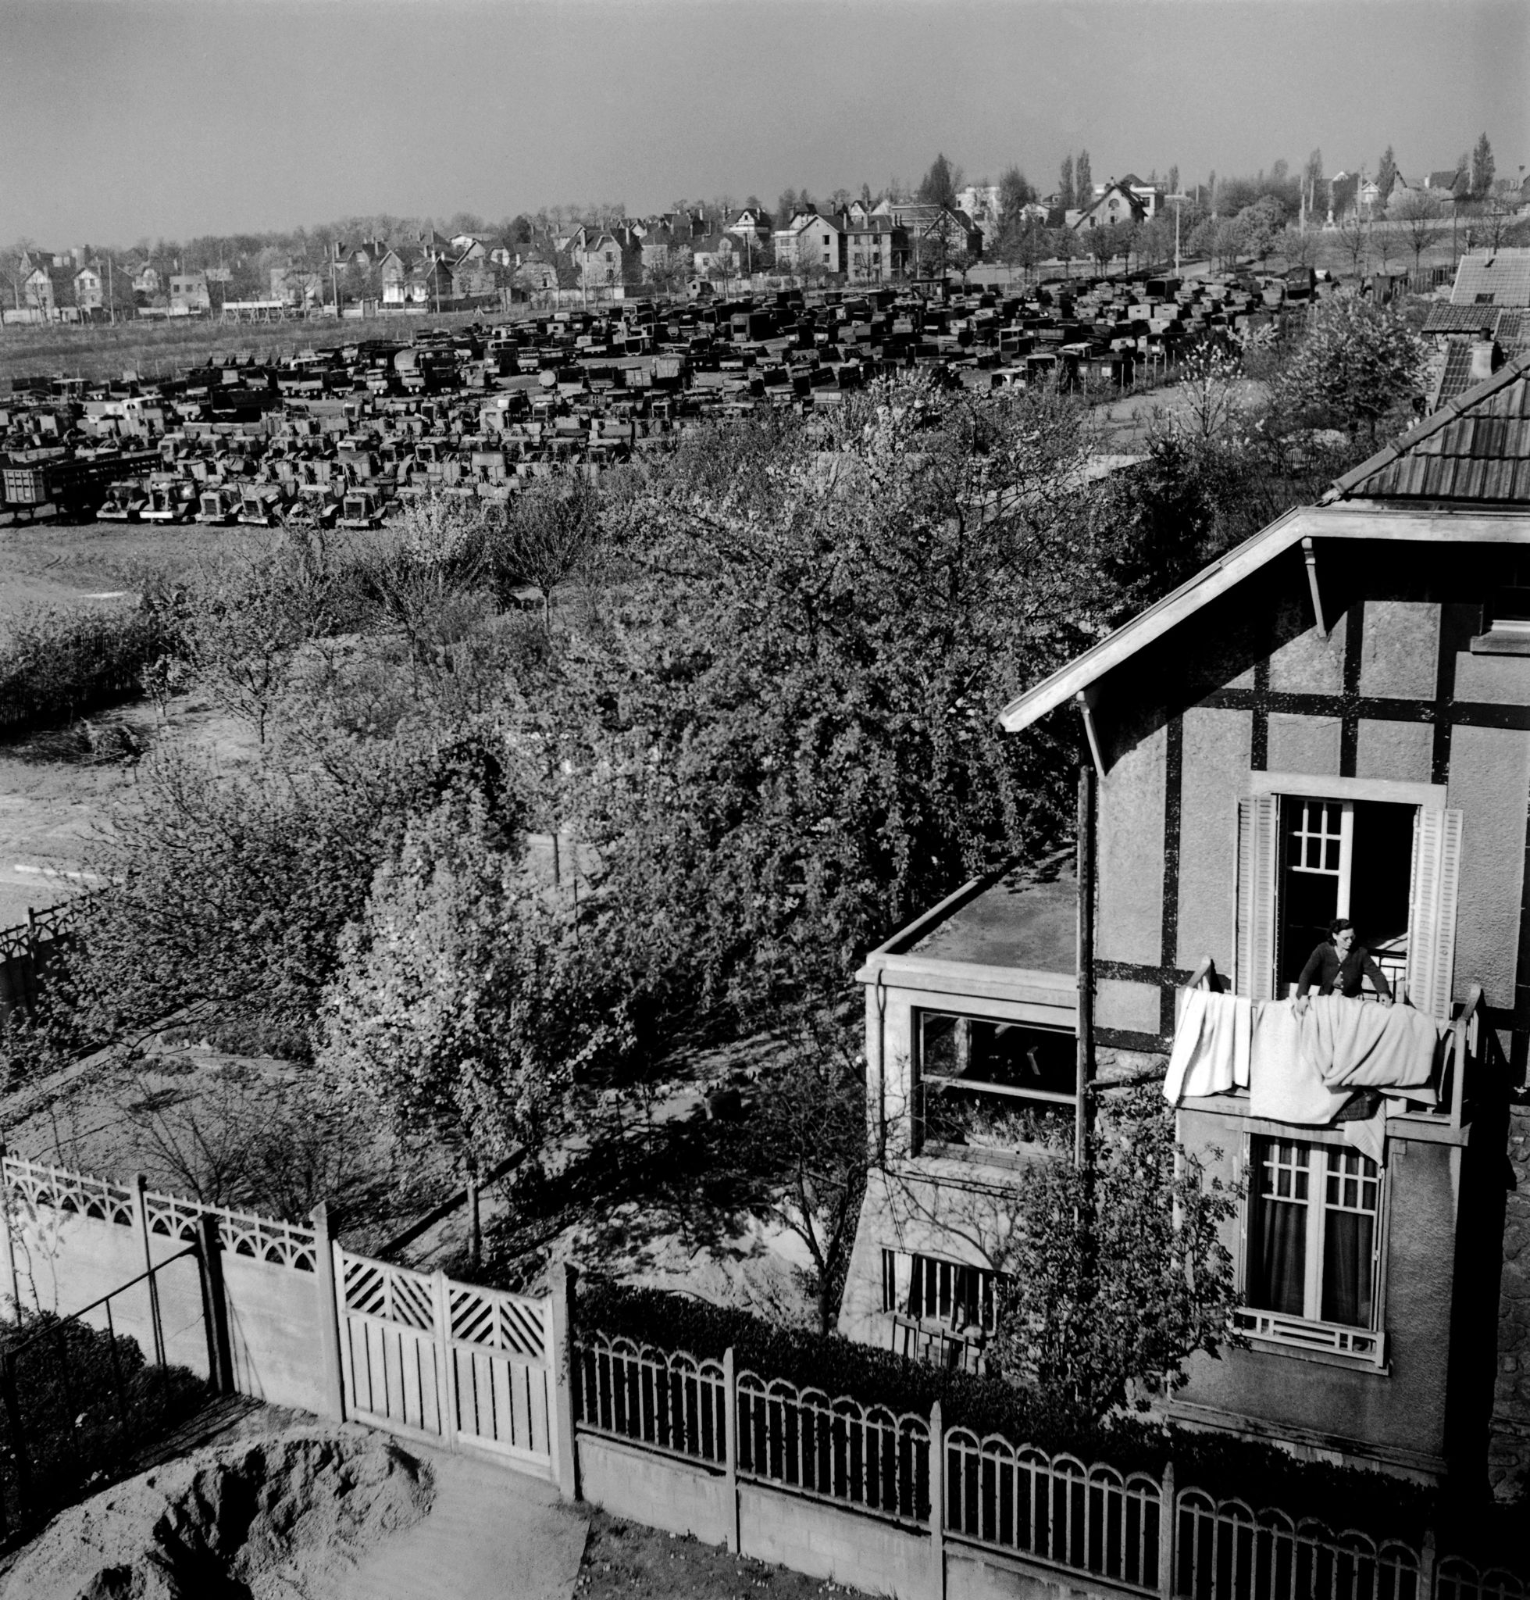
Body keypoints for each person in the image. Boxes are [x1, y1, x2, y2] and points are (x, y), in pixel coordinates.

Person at [1294, 918, 1393, 1012]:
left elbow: (1376, 974)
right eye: (1345, 938)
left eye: (1352, 937)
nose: (1350, 941)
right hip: (1327, 998)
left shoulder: (1360, 953)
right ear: (1335, 936)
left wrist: (1383, 992)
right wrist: (1303, 995)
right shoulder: (1322, 949)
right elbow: (1307, 973)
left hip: (1353, 1000)